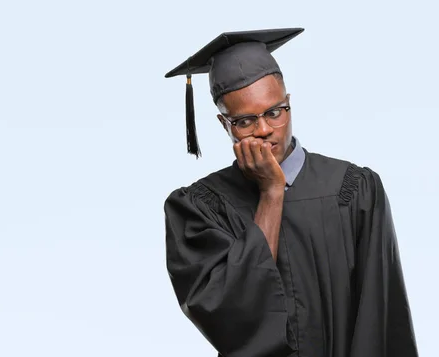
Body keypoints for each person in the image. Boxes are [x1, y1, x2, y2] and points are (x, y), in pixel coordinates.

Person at [163, 28, 418, 357]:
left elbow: (380, 319)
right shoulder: (199, 209)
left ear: (289, 104)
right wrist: (271, 192)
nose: (265, 129)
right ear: (224, 124)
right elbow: (229, 317)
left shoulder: (353, 190)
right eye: (244, 121)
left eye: (274, 112)